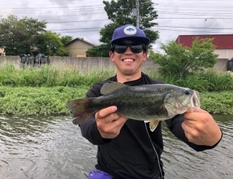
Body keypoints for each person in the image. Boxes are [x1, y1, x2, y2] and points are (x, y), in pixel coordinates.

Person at [79, 24, 222, 179]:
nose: (128, 51)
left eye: (136, 47)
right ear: (112, 55)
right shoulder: (99, 91)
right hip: (107, 173)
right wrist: (99, 130)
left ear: (145, 54)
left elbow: (182, 125)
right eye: (120, 47)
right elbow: (86, 126)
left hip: (149, 175)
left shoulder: (160, 89)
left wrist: (210, 138)